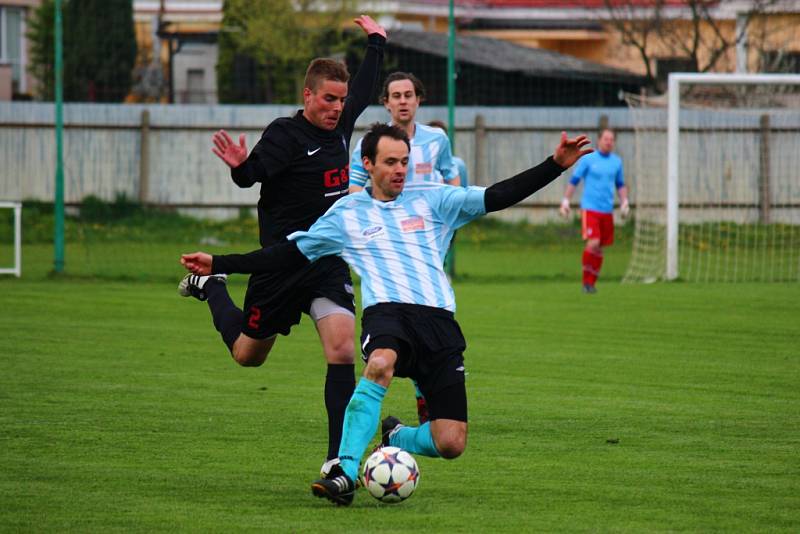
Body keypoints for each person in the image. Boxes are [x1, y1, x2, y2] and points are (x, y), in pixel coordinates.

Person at [180, 123, 592, 506]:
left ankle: (396, 435)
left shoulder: (434, 199)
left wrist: (554, 165)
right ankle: (342, 469)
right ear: (368, 164)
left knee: (451, 442)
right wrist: (221, 262)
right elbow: (284, 253)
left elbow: (499, 195)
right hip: (387, 315)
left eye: (404, 162)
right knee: (380, 363)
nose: (400, 170)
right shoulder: (346, 214)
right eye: (391, 162)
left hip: (438, 322)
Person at [178, 15, 386, 480]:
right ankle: (213, 287)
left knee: (342, 350)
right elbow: (251, 176)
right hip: (278, 265)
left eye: (340, 100)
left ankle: (337, 458)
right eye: (328, 99)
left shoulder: (341, 126)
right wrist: (238, 166)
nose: (336, 108)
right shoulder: (284, 135)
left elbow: (367, 88)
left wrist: (376, 42)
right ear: (307, 96)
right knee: (248, 355)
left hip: (325, 262)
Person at [348, 72, 460, 193]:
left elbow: (452, 178)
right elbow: (354, 185)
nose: (403, 101)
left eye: (408, 95)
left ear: (417, 100)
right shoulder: (370, 141)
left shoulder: (438, 138)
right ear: (387, 103)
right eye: (396, 96)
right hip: (388, 211)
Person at [559, 128, 629, 294]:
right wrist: (565, 201)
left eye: (611, 139)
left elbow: (620, 184)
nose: (608, 142)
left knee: (599, 248)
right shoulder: (588, 159)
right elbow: (574, 180)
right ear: (599, 140)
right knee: (593, 243)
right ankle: (586, 282)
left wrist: (624, 201)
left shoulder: (616, 162)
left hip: (607, 210)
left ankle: (591, 283)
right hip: (590, 208)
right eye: (606, 138)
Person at [427, 119, 469, 188]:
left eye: (440, 138)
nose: (436, 142)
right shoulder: (421, 164)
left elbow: (463, 190)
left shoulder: (458, 165)